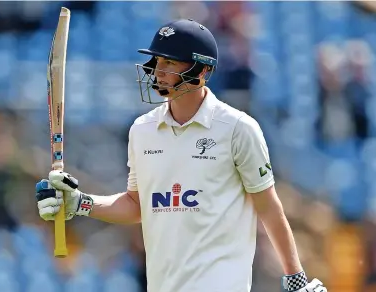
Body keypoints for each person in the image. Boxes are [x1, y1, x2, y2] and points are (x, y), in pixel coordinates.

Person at [36, 19, 327, 292]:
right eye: (157, 61)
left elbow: (268, 208)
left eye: (169, 62)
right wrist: (81, 202)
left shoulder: (238, 129)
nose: (157, 70)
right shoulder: (142, 130)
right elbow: (138, 205)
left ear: (201, 71)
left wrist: (296, 280)